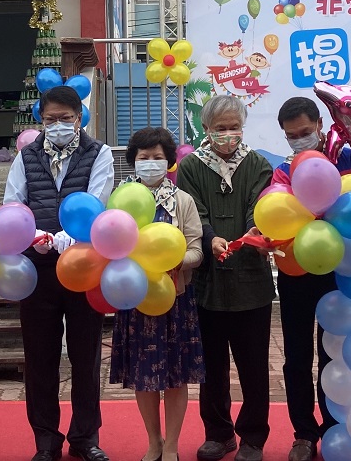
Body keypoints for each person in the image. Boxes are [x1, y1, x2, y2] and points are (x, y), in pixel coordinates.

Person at [3, 85, 115, 461]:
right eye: (50, 119)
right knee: (40, 358)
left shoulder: (99, 153)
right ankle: (45, 440)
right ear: (41, 120)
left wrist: (72, 234)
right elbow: (12, 204)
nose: (58, 125)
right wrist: (32, 235)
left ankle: (86, 437)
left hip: (84, 265)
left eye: (65, 119)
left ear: (79, 118)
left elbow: (98, 202)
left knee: (86, 355)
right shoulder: (27, 155)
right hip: (37, 270)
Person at [271, 97, 351, 461]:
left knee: (335, 356)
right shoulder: (283, 171)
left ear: (319, 125)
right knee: (296, 357)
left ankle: (333, 428)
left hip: (341, 271)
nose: (300, 140)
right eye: (292, 136)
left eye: (305, 132)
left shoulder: (349, 159)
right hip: (296, 272)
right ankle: (303, 434)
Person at [176, 95, 273, 461]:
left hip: (252, 281)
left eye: (234, 127)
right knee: (211, 365)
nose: (228, 135)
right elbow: (192, 209)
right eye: (220, 128)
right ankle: (218, 433)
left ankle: (252, 437)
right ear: (206, 129)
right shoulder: (190, 167)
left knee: (253, 365)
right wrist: (207, 235)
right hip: (207, 283)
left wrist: (251, 233)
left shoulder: (258, 164)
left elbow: (259, 206)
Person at [110, 127, 205, 461]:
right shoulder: (118, 199)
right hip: (135, 300)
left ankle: (173, 444)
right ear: (133, 161)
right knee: (143, 376)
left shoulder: (183, 200)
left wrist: (178, 261)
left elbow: (196, 249)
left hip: (174, 299)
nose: (150, 163)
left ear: (169, 162)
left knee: (176, 377)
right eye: (143, 157)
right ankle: (153, 440)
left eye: (157, 157)